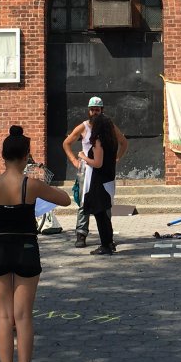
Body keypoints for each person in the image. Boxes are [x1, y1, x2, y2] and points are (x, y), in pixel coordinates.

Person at [0, 126, 72, 362]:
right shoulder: (32, 185)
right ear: (26, 156)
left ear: (3, 156)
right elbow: (65, 200)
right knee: (24, 316)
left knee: (3, 316)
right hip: (26, 249)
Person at [62, 96, 128, 249]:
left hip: (100, 169)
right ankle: (81, 233)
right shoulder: (84, 127)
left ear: (102, 110)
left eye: (97, 109)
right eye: (92, 109)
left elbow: (123, 142)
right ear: (88, 111)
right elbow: (66, 143)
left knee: (104, 203)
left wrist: (116, 158)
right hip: (88, 170)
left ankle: (106, 237)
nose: (94, 112)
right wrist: (74, 160)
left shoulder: (107, 126)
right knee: (85, 201)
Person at [79, 113, 120, 254]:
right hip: (108, 180)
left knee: (100, 215)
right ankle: (109, 242)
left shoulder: (98, 141)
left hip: (99, 181)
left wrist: (84, 157)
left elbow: (97, 163)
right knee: (104, 215)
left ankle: (105, 245)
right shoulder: (112, 141)